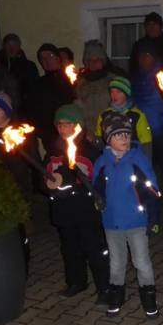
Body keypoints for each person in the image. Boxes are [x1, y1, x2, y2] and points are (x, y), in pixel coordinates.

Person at [93, 112, 159, 318]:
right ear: (108, 139)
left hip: (136, 221)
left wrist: (153, 217)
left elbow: (151, 189)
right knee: (116, 263)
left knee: (141, 262)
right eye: (118, 135)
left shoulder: (137, 160)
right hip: (112, 222)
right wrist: (98, 200)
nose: (124, 138)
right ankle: (116, 298)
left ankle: (149, 299)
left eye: (127, 135)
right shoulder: (102, 162)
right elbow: (96, 188)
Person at [44, 104, 110, 303]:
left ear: (78, 125)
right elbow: (45, 175)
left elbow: (97, 179)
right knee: (70, 248)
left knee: (94, 248)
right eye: (59, 124)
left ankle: (105, 287)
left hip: (85, 209)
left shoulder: (89, 151)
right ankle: (76, 281)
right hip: (63, 209)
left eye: (67, 124)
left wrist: (69, 181)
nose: (62, 128)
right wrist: (47, 184)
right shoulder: (53, 151)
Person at [131, 43, 163, 220]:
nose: (143, 59)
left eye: (147, 55)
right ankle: (149, 202)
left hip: (162, 128)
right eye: (141, 56)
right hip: (143, 131)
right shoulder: (136, 79)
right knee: (145, 168)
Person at [27, 43, 76, 150]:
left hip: (74, 133)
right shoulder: (38, 84)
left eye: (50, 55)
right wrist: (43, 132)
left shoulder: (72, 79)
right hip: (50, 137)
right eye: (43, 58)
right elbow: (33, 110)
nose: (47, 60)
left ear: (58, 58)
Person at [95, 76, 152, 157]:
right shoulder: (104, 115)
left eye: (118, 92)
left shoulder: (137, 115)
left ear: (126, 93)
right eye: (112, 92)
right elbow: (99, 138)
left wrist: (145, 160)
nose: (114, 95)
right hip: (111, 159)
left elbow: (146, 142)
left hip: (133, 157)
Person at [76, 40, 119, 141]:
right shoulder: (81, 84)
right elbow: (78, 110)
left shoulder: (113, 81)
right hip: (88, 135)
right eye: (91, 60)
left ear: (103, 61)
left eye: (98, 59)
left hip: (109, 133)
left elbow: (120, 106)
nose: (94, 63)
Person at [129, 12, 163, 83]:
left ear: (160, 26)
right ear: (145, 27)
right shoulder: (139, 46)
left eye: (154, 24)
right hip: (144, 85)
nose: (151, 27)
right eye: (149, 24)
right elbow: (133, 69)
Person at [0, 33, 39, 108]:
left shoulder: (29, 66)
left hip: (23, 106)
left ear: (19, 46)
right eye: (8, 45)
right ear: (4, 46)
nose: (12, 48)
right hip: (1, 106)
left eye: (15, 45)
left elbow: (34, 89)